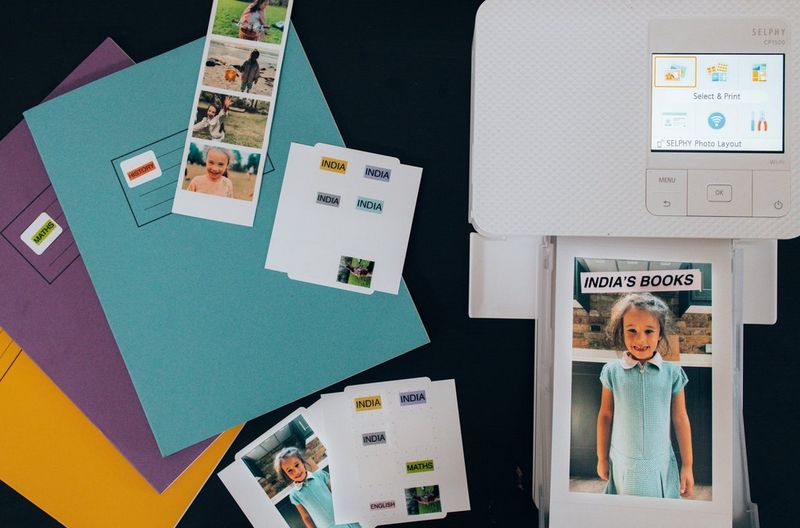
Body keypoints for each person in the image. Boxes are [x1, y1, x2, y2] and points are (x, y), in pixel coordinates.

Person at [596, 293, 694, 499]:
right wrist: (602, 458)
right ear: (622, 332)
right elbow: (605, 415)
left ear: (660, 334)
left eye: (649, 331)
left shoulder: (673, 374)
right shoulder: (612, 372)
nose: (640, 339)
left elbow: (681, 418)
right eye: (631, 330)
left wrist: (688, 465)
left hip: (659, 463)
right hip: (623, 462)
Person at [273, 447, 359, 528]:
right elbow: (305, 516)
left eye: (297, 465)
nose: (296, 471)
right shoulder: (294, 495)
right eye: (290, 470)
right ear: (286, 475)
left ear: (302, 462)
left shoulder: (320, 475)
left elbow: (338, 494)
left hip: (344, 519)